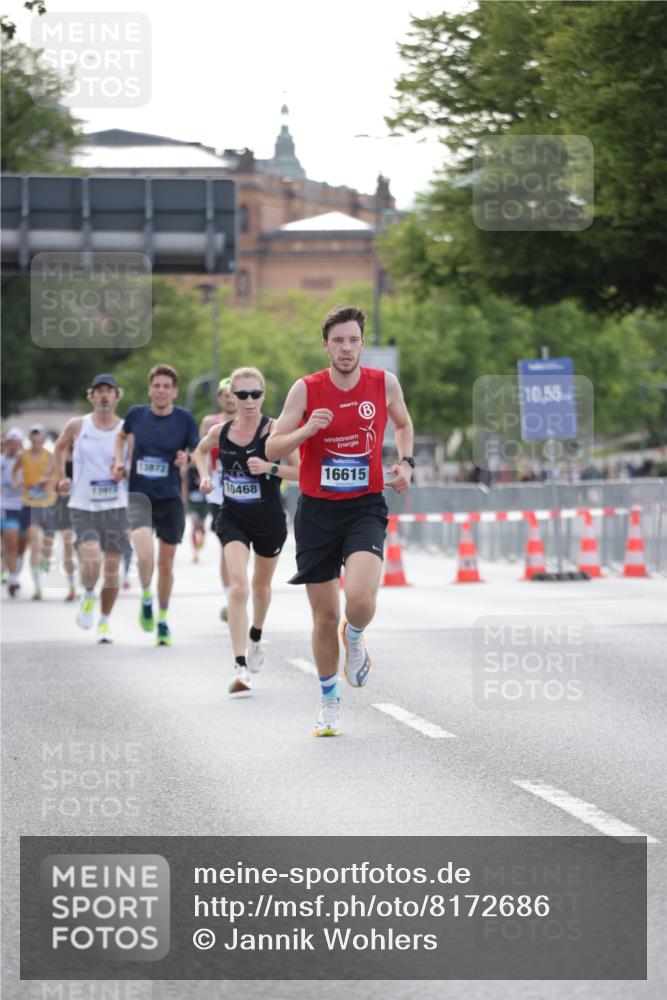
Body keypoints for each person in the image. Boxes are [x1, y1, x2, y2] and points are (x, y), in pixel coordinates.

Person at [266, 304, 414, 737]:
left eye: (353, 340)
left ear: (362, 344)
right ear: (325, 346)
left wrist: (406, 463)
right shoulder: (305, 389)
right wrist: (306, 431)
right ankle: (329, 701)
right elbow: (272, 448)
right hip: (317, 511)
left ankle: (356, 635)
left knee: (361, 599)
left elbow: (404, 425)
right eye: (338, 341)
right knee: (325, 617)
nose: (346, 348)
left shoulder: (384, 383)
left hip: (365, 505)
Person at [194, 367, 299, 693]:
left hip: (268, 520)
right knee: (239, 588)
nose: (249, 400)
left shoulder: (276, 430)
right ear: (232, 397)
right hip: (233, 517)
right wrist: (204, 476)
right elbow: (199, 451)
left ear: (263, 395)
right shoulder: (220, 431)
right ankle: (240, 667)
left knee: (260, 585)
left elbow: (302, 471)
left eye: (255, 394)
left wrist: (270, 467)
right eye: (242, 395)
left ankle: (256, 636)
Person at [112, 364, 198, 646]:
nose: (161, 391)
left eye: (166, 386)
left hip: (170, 498)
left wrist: (187, 459)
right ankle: (147, 597)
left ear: (174, 391)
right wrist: (118, 461)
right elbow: (121, 436)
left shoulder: (184, 419)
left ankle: (162, 619)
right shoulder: (136, 414)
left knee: (165, 563)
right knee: (145, 556)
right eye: (157, 386)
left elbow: (196, 452)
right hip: (140, 496)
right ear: (150, 389)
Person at [54, 374, 128, 644]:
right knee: (93, 560)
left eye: (109, 391)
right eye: (99, 391)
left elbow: (133, 463)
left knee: (112, 570)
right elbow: (59, 449)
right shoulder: (78, 425)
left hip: (116, 507)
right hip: (83, 505)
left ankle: (104, 621)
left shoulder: (126, 429)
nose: (104, 395)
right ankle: (87, 593)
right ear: (92, 396)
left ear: (117, 396)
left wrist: (124, 472)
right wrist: (62, 477)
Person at [199, 377, 237, 620]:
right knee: (227, 545)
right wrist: (204, 475)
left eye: (234, 393)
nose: (230, 398)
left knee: (243, 546)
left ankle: (238, 591)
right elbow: (200, 451)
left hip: (247, 492)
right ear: (219, 398)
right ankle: (229, 597)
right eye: (225, 394)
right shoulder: (210, 423)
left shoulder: (252, 421)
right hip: (218, 493)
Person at [13, 425, 56, 600]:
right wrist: (18, 482)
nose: (37, 441)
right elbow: (15, 471)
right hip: (29, 504)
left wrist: (48, 480)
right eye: (34, 438)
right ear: (30, 439)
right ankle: (37, 587)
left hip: (48, 503)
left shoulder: (50, 456)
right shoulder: (23, 456)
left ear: (44, 440)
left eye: (40, 438)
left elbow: (57, 474)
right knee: (34, 543)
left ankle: (46, 559)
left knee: (47, 544)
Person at [42, 443, 78, 601]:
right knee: (50, 542)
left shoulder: (83, 457)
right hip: (56, 505)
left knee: (70, 546)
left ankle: (73, 586)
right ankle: (45, 559)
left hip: (75, 506)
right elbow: (46, 482)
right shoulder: (55, 459)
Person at [1, 428, 27, 597]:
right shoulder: (1, 462)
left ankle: (15, 572)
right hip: (6, 507)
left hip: (25, 507)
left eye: (17, 443)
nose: (14, 446)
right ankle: (12, 579)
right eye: (11, 443)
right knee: (10, 541)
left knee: (21, 546)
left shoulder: (28, 462)